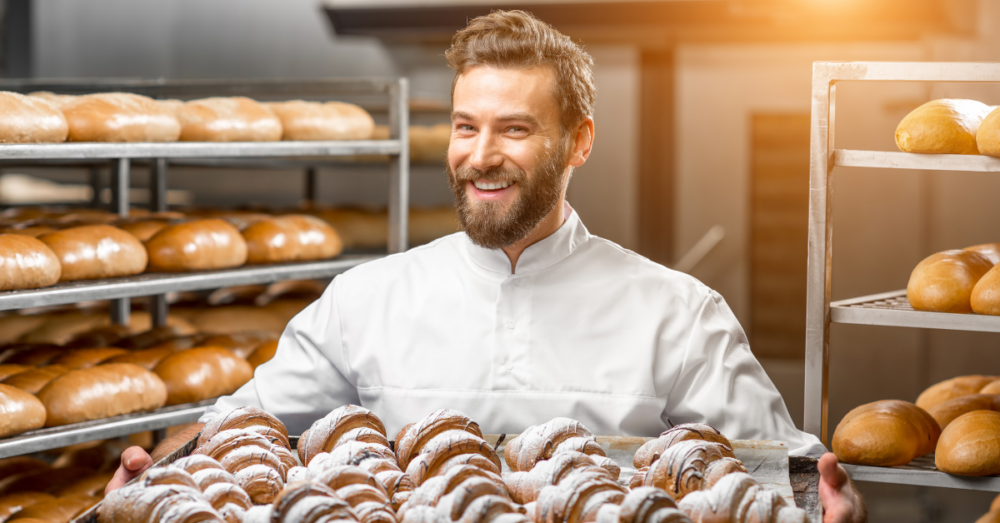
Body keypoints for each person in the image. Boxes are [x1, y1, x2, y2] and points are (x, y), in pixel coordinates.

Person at [107, 10, 866, 521]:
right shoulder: (365, 299)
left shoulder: (677, 311)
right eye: (466, 127)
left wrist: (832, 500)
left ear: (579, 142)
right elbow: (240, 432)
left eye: (514, 129)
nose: (481, 155)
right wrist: (158, 478)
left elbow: (778, 476)